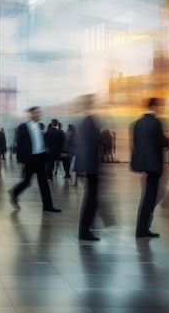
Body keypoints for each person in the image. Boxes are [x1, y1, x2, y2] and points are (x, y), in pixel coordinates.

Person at [9, 107, 60, 212]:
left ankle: (48, 206)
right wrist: (21, 161)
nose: (38, 114)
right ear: (31, 114)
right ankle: (14, 192)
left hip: (40, 158)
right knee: (27, 181)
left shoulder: (38, 126)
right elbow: (20, 145)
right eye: (36, 112)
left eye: (39, 112)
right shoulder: (23, 128)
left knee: (43, 183)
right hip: (30, 160)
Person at [131, 98, 169, 238]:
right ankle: (142, 228)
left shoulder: (138, 123)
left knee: (146, 196)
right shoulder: (156, 122)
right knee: (150, 198)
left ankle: (143, 227)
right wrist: (167, 140)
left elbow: (136, 143)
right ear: (154, 106)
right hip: (154, 165)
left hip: (143, 164)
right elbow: (161, 141)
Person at [74, 95, 102, 241]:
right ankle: (85, 230)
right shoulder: (90, 121)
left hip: (90, 165)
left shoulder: (86, 121)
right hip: (91, 166)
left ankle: (87, 228)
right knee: (91, 198)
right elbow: (91, 145)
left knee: (92, 198)